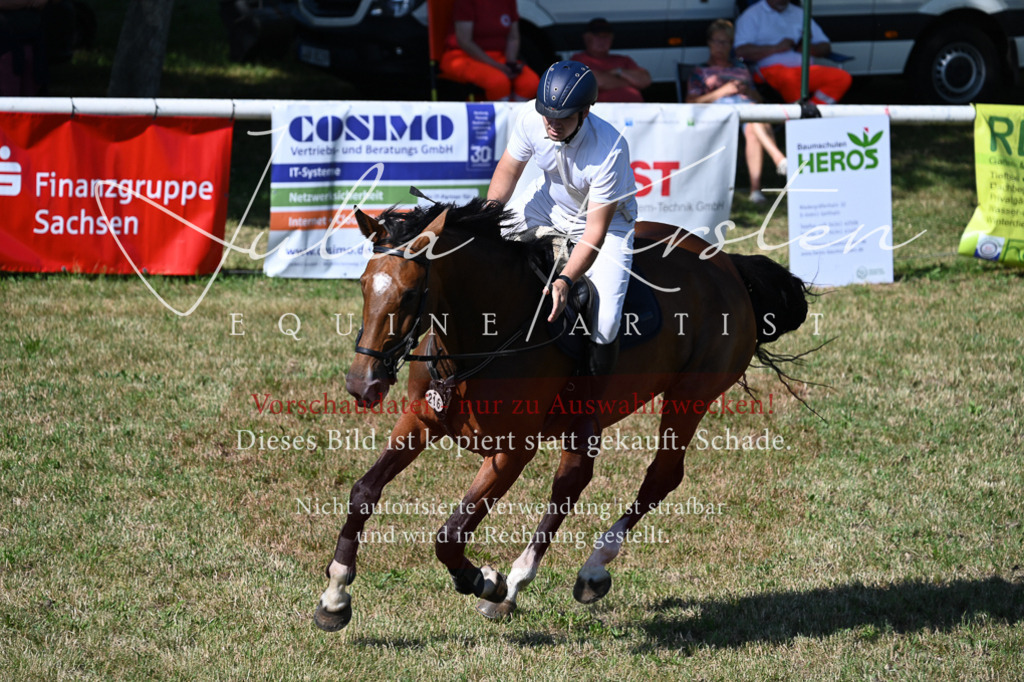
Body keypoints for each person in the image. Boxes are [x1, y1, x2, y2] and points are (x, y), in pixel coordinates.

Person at [487, 60, 638, 456]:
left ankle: (589, 410)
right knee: (480, 250)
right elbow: (508, 170)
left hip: (605, 225)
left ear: (585, 113)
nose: (551, 124)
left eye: (562, 118)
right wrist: (488, 215)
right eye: (546, 115)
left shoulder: (610, 147)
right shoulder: (530, 117)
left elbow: (595, 232)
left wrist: (565, 278)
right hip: (547, 205)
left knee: (605, 322)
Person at [687, 18, 787, 204]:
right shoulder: (700, 71)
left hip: (746, 108)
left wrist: (747, 91)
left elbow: (758, 99)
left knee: (753, 125)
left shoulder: (741, 69)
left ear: (731, 45)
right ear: (709, 43)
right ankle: (778, 157)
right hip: (718, 112)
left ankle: (755, 190)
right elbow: (691, 102)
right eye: (716, 41)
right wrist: (722, 91)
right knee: (753, 113)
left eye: (725, 42)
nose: (720, 46)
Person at [733, 0, 851, 106]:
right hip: (770, 71)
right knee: (790, 78)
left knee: (842, 78)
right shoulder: (751, 15)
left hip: (805, 70)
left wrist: (806, 48)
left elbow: (825, 47)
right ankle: (802, 119)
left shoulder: (800, 14)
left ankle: (812, 112)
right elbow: (741, 51)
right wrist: (776, 48)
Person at [439, 0, 540, 102]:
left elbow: (513, 38)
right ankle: (500, 116)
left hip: (499, 57)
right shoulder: (466, 2)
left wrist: (511, 64)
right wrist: (497, 66)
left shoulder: (508, 2)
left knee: (530, 83)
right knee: (498, 83)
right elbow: (465, 42)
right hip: (463, 55)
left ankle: (516, 115)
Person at [570, 17, 651, 103]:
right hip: (601, 113)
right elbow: (595, 82)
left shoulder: (623, 59)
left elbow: (645, 80)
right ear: (586, 38)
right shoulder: (578, 59)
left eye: (606, 37)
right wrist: (632, 83)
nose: (602, 41)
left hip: (634, 111)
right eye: (597, 36)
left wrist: (618, 71)